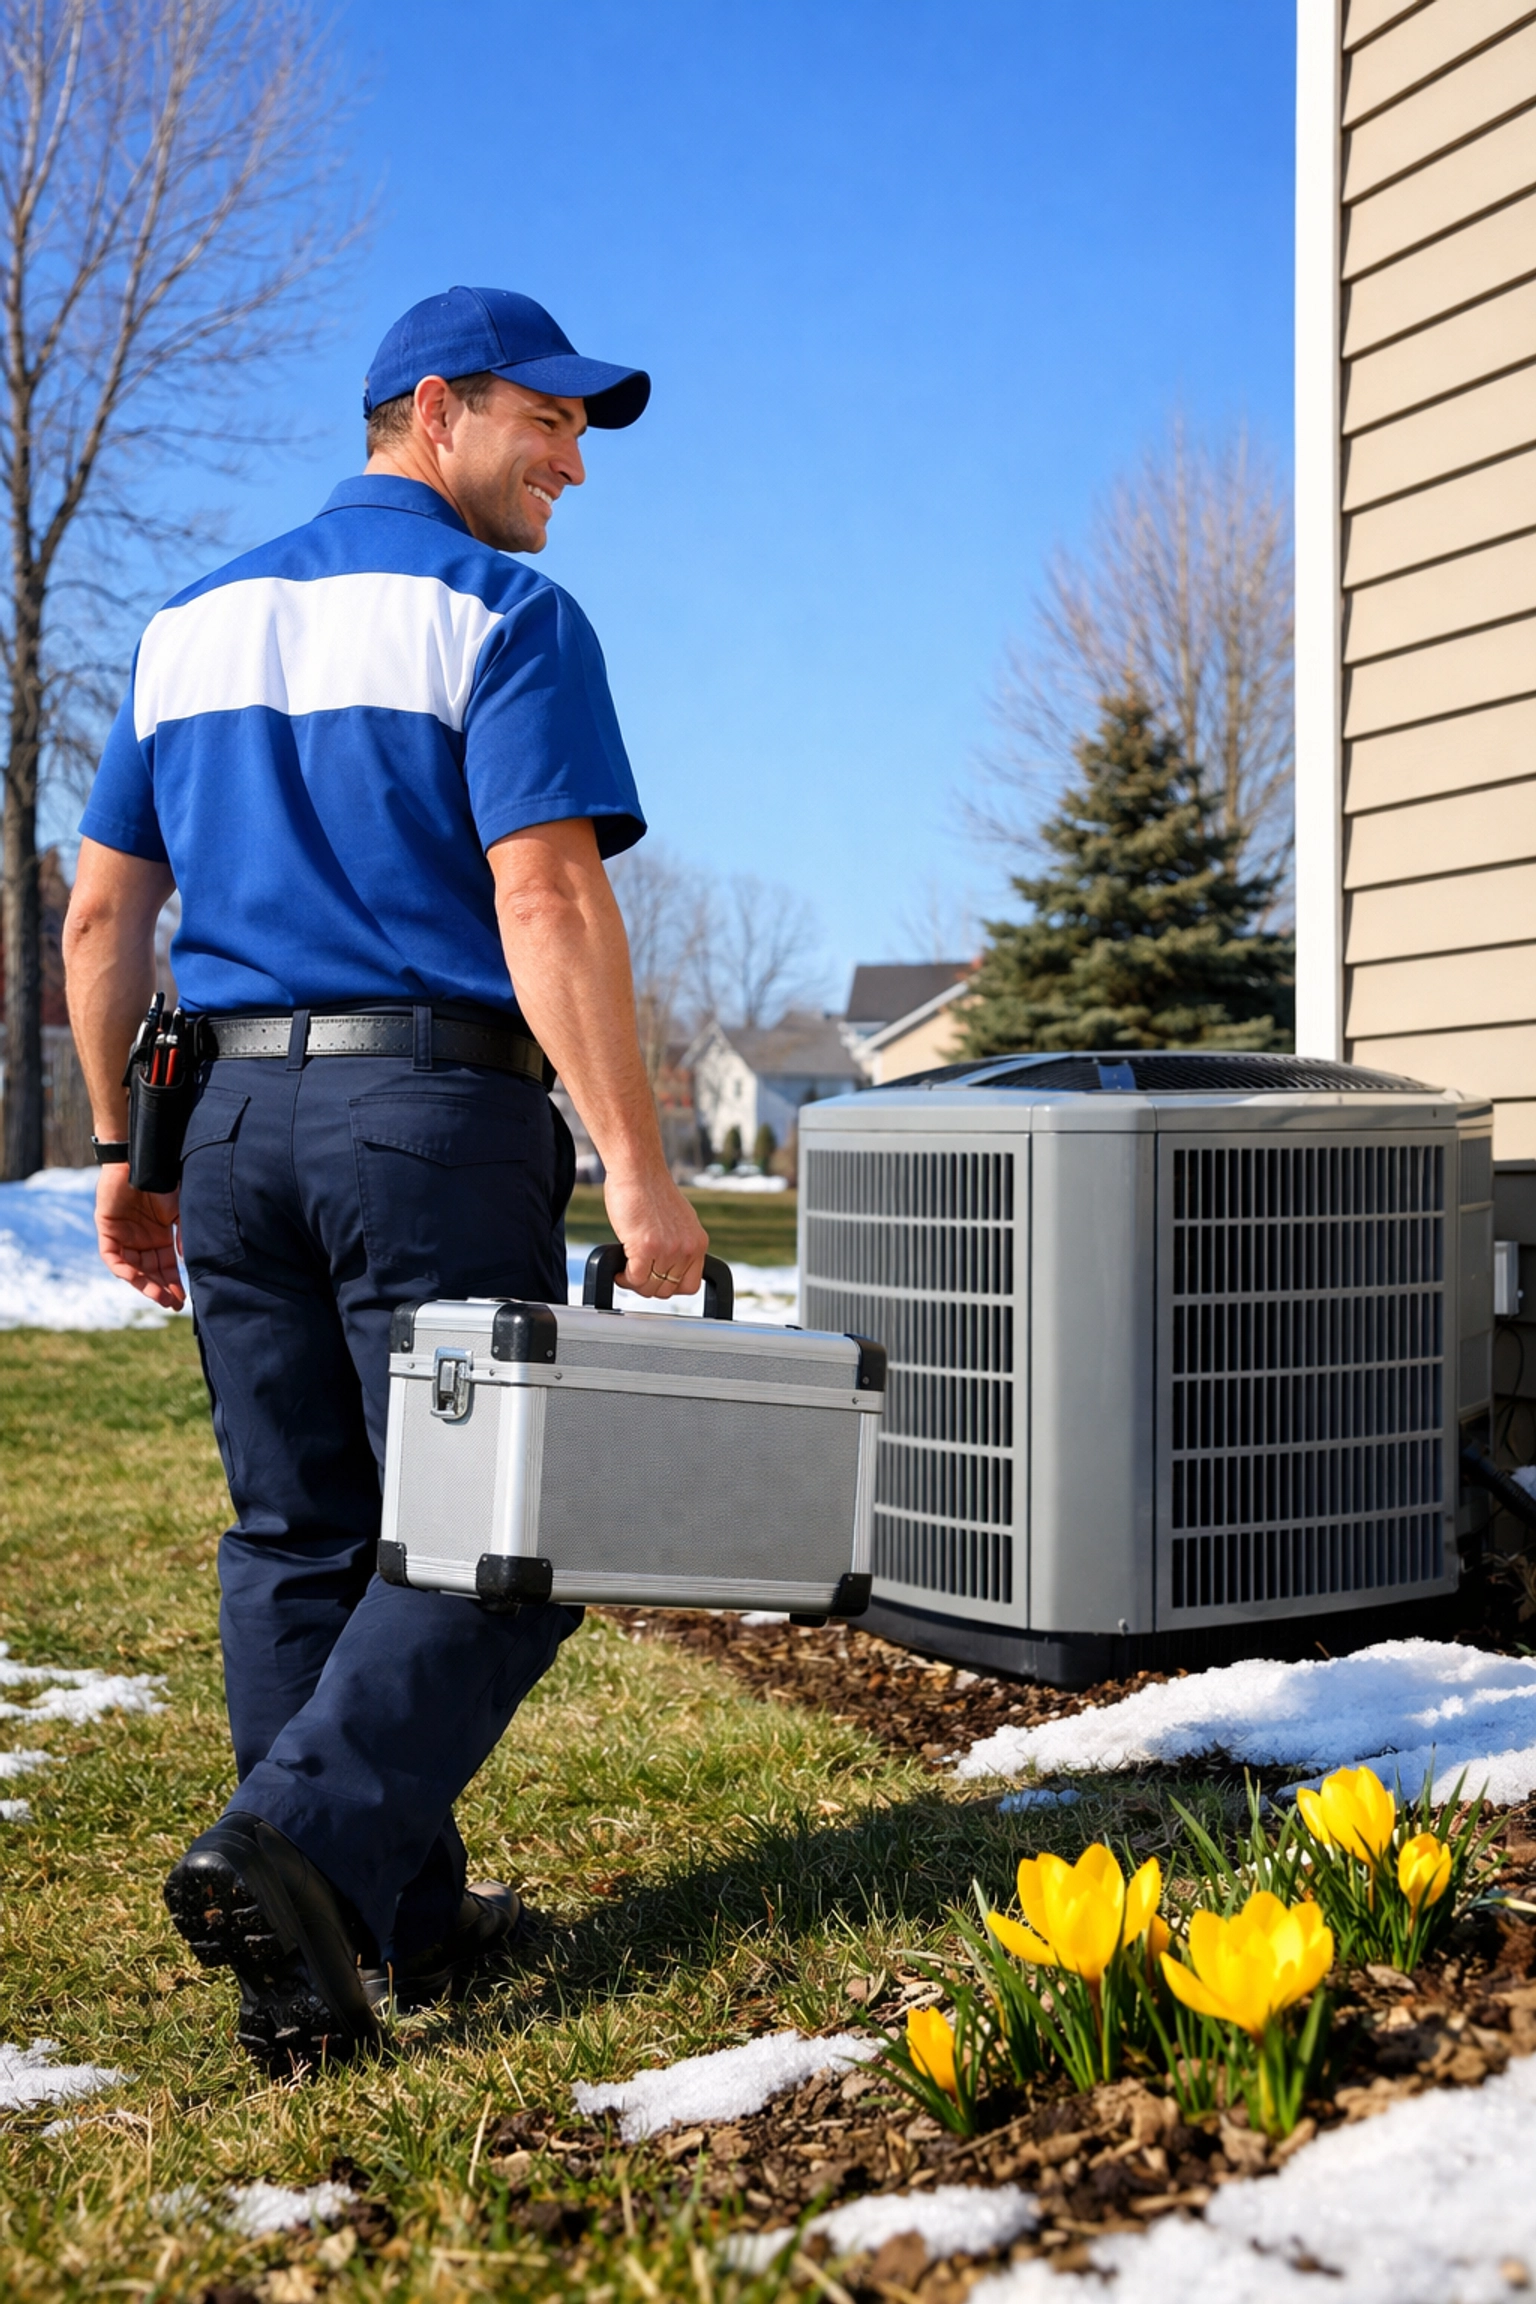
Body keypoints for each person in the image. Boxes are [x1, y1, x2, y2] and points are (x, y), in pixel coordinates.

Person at [62, 286, 708, 2070]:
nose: (573, 464)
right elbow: (550, 900)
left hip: (241, 1128)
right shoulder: (499, 610)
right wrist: (646, 1184)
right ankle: (308, 1853)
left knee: (302, 1535)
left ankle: (381, 1939)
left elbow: (106, 914)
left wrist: (131, 1153)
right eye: (549, 423)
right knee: (505, 1534)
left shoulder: (185, 625)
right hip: (429, 1117)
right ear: (435, 409)